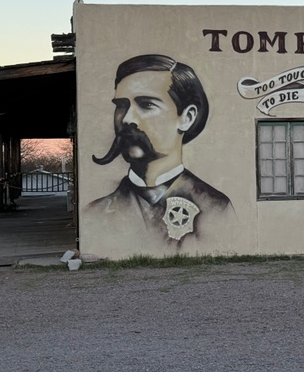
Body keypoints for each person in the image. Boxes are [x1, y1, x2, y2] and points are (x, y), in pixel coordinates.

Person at [88, 54, 232, 248]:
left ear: (187, 117)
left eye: (146, 104)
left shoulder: (216, 208)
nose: (127, 119)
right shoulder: (95, 213)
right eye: (121, 106)